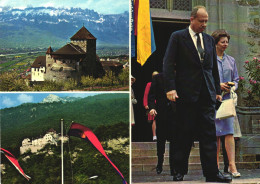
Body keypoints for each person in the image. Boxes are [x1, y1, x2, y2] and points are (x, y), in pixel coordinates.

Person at [163, 5, 232, 182]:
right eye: (201, 21)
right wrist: (170, 88)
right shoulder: (178, 37)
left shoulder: (209, 40)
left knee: (209, 136)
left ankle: (212, 173)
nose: (204, 25)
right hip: (185, 95)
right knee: (183, 134)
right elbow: (168, 63)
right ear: (192, 19)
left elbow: (212, 68)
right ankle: (179, 171)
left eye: (206, 22)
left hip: (206, 96)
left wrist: (216, 91)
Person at [211, 29, 240, 177]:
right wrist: (218, 86)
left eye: (227, 42)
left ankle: (232, 165)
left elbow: (236, 79)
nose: (225, 44)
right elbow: (206, 78)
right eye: (222, 42)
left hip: (227, 101)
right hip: (214, 101)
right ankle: (215, 166)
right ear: (216, 43)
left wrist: (232, 86)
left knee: (229, 133)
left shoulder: (231, 60)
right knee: (214, 135)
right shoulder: (209, 60)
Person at [148, 73, 176, 175]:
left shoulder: (179, 76)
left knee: (174, 142)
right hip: (161, 113)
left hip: (175, 114)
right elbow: (151, 96)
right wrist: (152, 107)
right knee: (161, 141)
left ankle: (173, 167)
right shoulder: (158, 77)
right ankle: (160, 163)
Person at [143, 71, 159, 141]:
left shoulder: (161, 84)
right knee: (154, 120)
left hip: (160, 104)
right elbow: (146, 94)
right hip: (152, 104)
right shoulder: (149, 84)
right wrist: (145, 104)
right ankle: (154, 135)